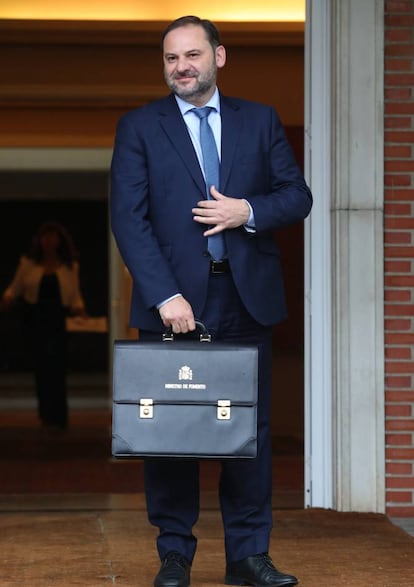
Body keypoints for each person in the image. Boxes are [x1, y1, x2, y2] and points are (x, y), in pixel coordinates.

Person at [110, 15, 312, 587]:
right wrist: (164, 294)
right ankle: (174, 556)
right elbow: (129, 218)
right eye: (172, 59)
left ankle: (249, 556)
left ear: (219, 57)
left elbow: (296, 196)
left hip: (246, 298)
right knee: (171, 434)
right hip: (172, 304)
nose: (182, 67)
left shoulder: (261, 121)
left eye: (193, 55)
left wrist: (246, 211)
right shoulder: (139, 127)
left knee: (245, 432)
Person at [1, 221, 86, 430]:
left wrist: (80, 310)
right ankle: (46, 415)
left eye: (53, 237)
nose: (49, 241)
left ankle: (59, 416)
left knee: (58, 368)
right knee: (42, 369)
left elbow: (74, 294)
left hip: (59, 320)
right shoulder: (28, 264)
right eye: (45, 237)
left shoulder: (69, 266)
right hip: (36, 320)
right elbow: (16, 287)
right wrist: (7, 299)